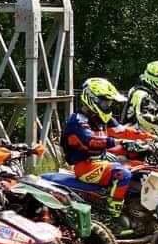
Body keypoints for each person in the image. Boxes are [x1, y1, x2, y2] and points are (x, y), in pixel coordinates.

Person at [61, 77, 149, 219]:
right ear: (92, 99)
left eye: (109, 102)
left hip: (101, 161)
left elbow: (122, 131)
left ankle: (133, 208)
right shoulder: (78, 120)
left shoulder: (100, 118)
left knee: (140, 167)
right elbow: (91, 141)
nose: (107, 105)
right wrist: (120, 142)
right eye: (104, 102)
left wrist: (151, 137)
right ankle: (113, 215)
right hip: (85, 166)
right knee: (123, 174)